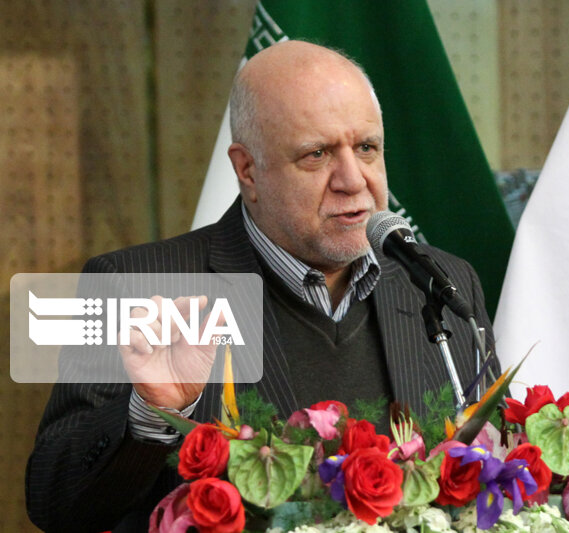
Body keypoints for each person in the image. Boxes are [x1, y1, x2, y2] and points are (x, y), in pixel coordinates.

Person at [26, 41, 495, 532]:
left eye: (366, 148)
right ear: (247, 170)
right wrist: (150, 413)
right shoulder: (138, 286)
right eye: (317, 154)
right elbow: (55, 504)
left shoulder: (440, 284)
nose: (353, 180)